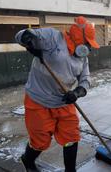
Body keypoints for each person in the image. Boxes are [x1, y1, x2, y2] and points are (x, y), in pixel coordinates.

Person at [15, 16, 100, 172]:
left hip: (63, 101)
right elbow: (21, 35)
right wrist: (28, 41)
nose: (88, 47)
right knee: (40, 141)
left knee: (71, 137)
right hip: (39, 101)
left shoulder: (82, 57)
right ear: (77, 37)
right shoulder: (52, 37)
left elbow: (85, 79)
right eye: (87, 42)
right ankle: (27, 160)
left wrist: (76, 92)